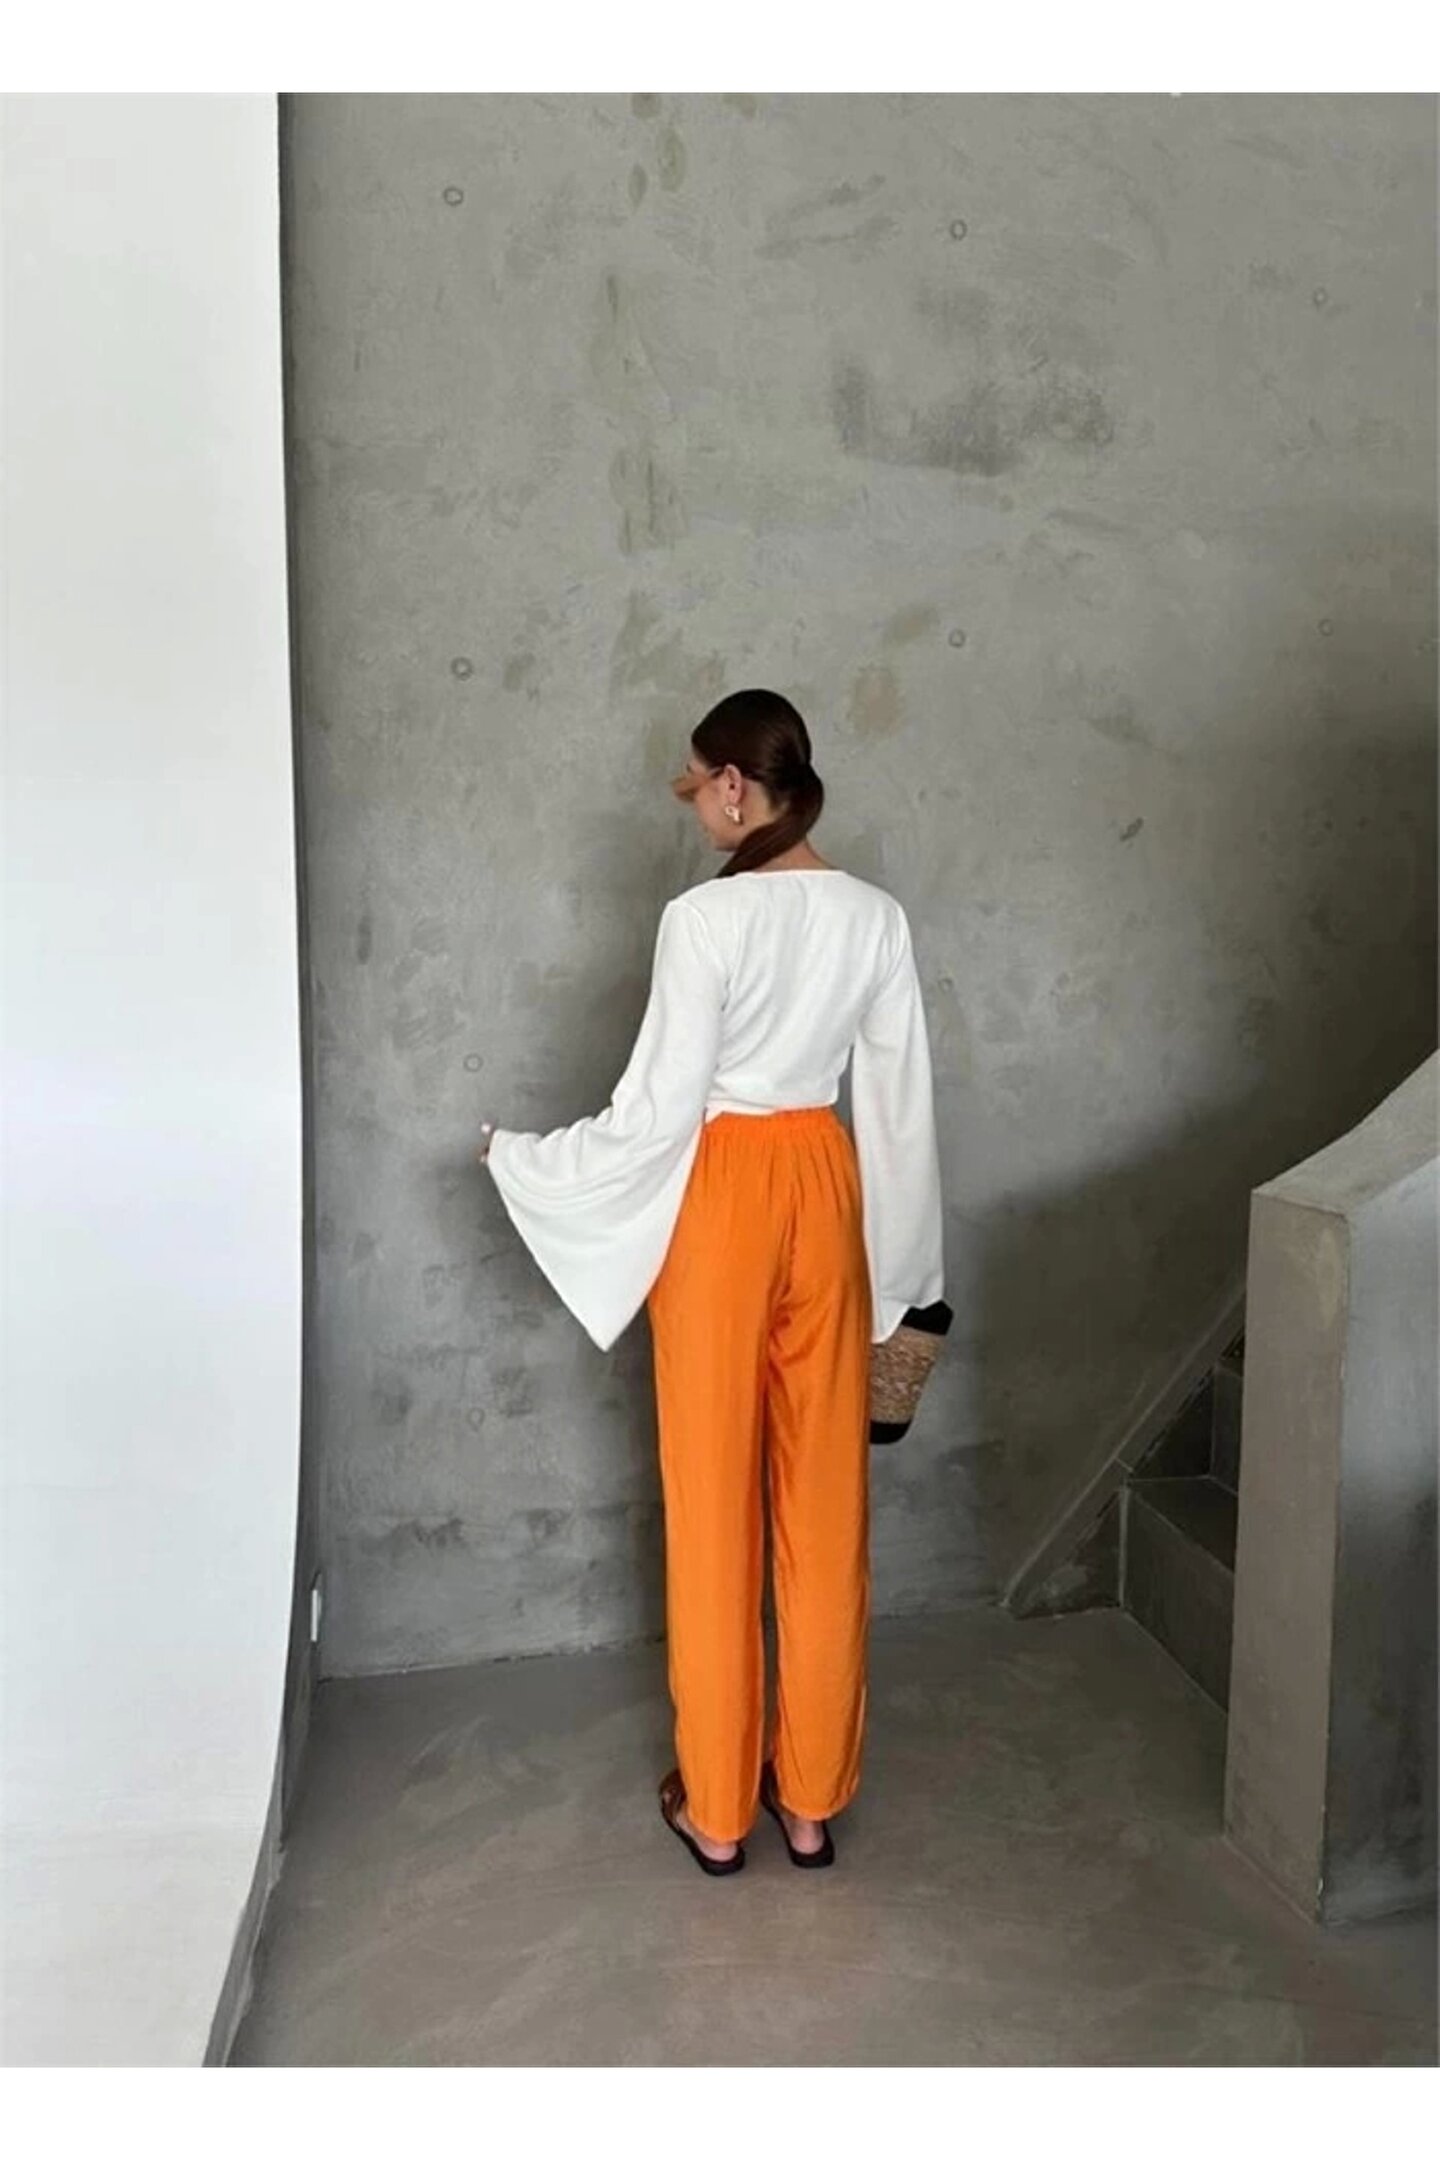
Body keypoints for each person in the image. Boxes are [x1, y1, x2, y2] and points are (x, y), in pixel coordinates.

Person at [477, 688, 944, 1875]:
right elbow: (899, 1112)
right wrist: (908, 1288)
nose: (695, 808)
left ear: (736, 785)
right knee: (824, 1505)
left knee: (713, 1501)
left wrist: (524, 1160)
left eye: (696, 786)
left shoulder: (703, 919)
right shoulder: (876, 917)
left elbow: (655, 1112)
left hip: (721, 1192)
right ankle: (811, 1802)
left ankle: (722, 1810)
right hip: (825, 1182)